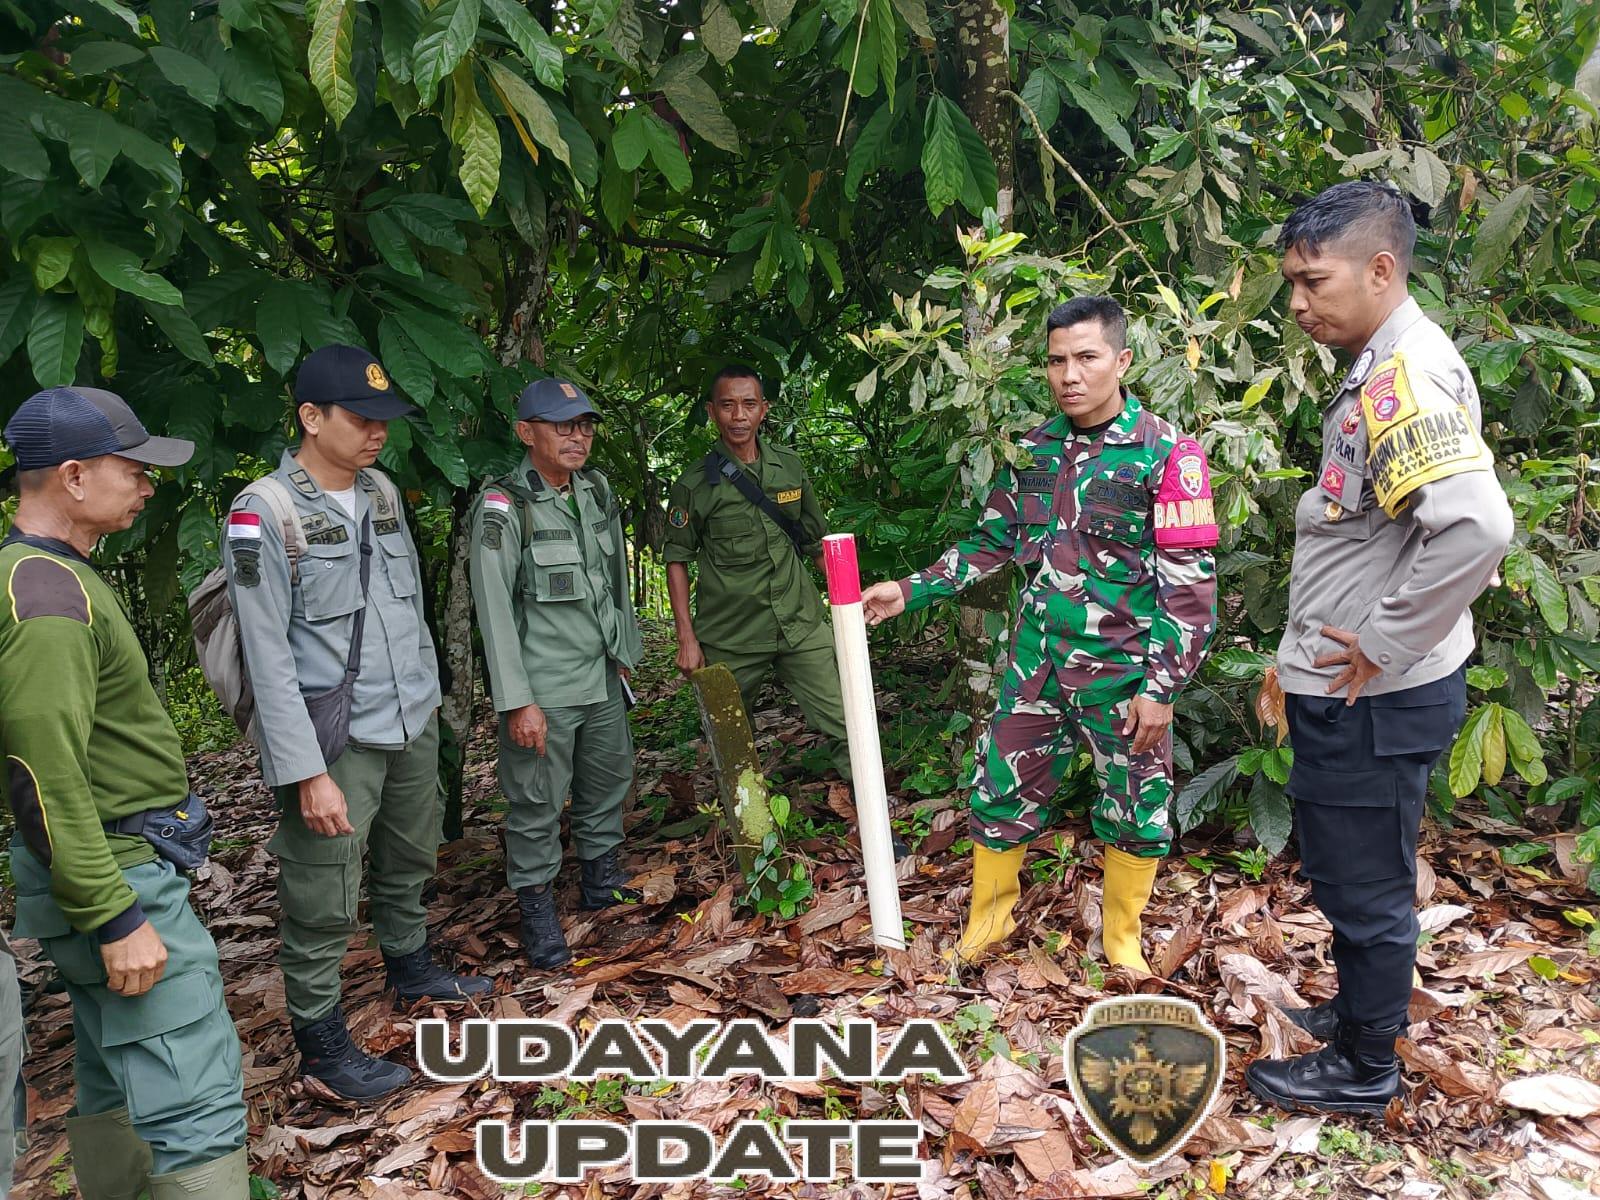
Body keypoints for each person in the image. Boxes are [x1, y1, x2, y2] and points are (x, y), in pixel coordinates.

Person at [1245, 181, 1513, 1115]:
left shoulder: (1403, 378)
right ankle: (1362, 1016)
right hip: (1359, 691)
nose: (1298, 302)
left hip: (1373, 698)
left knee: (1363, 884)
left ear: (1381, 270)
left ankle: (1363, 1069)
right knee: (1357, 867)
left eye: (1313, 281)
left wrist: (1389, 642)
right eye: (1292, 282)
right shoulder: (1382, 365)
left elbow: (1477, 527)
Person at [861, 296, 1219, 969]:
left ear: (1123, 360)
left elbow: (1191, 587)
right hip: (1037, 666)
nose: (1069, 375)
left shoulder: (1169, 453)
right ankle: (988, 928)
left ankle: (1122, 942)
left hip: (1124, 672)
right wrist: (909, 589)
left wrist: (1163, 686)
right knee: (998, 791)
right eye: (1057, 360)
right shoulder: (1033, 450)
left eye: (1086, 357)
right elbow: (992, 543)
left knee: (1136, 806)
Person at [0, 386, 248, 1198]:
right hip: (115, 866)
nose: (148, 487)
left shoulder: (48, 574)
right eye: (133, 470)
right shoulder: (45, 595)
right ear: (73, 476)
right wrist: (115, 914)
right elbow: (43, 772)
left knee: (116, 1074)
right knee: (194, 1096)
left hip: (106, 859)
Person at [224, 345, 488, 1102]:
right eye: (360, 418)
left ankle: (410, 966)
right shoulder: (263, 512)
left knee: (410, 856)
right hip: (334, 740)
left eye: (385, 420)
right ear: (310, 417)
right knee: (323, 893)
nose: (378, 432)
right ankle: (321, 1039)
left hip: (408, 718)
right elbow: (267, 651)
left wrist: (432, 700)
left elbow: (407, 609)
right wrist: (306, 773)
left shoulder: (380, 493)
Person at [469, 378, 644, 970]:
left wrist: (624, 650)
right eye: (563, 425)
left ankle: (600, 879)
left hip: (599, 677)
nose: (579, 437)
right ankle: (539, 910)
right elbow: (493, 610)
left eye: (586, 426)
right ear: (526, 433)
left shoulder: (594, 491)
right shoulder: (504, 506)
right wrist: (518, 701)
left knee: (606, 783)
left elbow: (614, 577)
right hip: (544, 686)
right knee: (537, 803)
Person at [663, 366, 851, 779]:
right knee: (729, 736)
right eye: (727, 405)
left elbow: (816, 543)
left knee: (845, 719)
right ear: (712, 412)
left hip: (799, 623)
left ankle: (874, 814)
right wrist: (686, 638)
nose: (739, 416)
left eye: (749, 404)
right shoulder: (694, 485)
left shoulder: (790, 467)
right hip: (732, 633)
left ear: (763, 410)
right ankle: (745, 832)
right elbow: (676, 558)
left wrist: (851, 610)